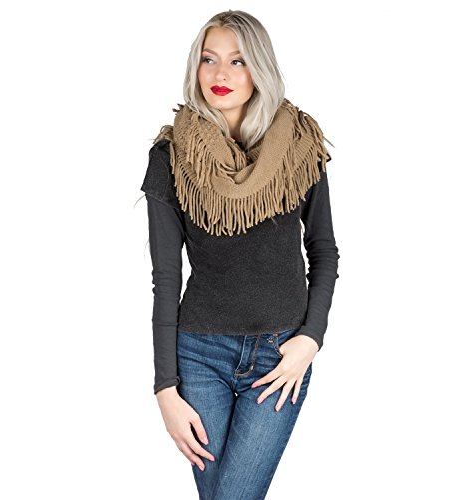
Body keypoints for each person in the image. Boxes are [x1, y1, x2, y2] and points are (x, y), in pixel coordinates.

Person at [140, 9, 340, 500]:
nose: (221, 74)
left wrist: (311, 338)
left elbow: (323, 250)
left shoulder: (299, 146)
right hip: (198, 355)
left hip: (280, 357)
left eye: (238, 60)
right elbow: (166, 276)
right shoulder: (171, 155)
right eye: (209, 59)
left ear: (259, 69)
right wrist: (165, 388)